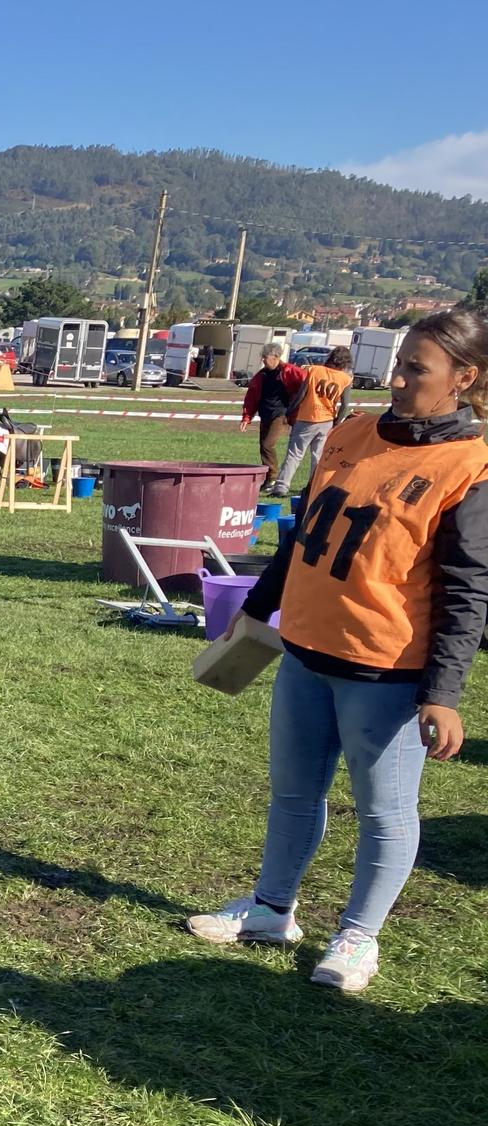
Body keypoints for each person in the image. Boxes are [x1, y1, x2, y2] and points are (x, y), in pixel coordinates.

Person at [187, 308, 488, 992]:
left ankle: (358, 936)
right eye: (400, 361)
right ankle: (270, 910)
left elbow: (469, 590)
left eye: (419, 368)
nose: (399, 376)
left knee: (385, 811)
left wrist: (442, 693)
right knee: (294, 793)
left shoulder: (470, 464)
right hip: (305, 653)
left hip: (385, 673)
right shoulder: (351, 431)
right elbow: (300, 538)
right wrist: (255, 613)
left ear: (464, 379)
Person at [272, 345, 354, 498]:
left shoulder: (314, 370)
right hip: (327, 420)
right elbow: (345, 405)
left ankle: (281, 487)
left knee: (295, 454)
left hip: (307, 417)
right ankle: (313, 488)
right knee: (318, 456)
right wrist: (336, 421)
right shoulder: (346, 379)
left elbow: (302, 394)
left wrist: (289, 411)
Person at [241, 341, 305, 480]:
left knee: (267, 444)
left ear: (276, 357)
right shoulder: (261, 375)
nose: (263, 359)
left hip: (281, 415)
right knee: (263, 446)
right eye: (262, 357)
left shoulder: (289, 371)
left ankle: (272, 477)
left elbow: (307, 381)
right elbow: (251, 397)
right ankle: (268, 477)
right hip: (265, 414)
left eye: (265, 356)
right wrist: (247, 418)